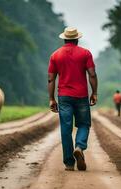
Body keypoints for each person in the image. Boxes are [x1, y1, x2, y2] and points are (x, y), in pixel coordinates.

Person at [48, 27, 98, 171]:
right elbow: (92, 74)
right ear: (77, 39)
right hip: (81, 96)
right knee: (83, 124)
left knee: (66, 128)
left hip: (64, 97)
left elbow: (51, 79)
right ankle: (80, 146)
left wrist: (52, 99)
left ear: (64, 39)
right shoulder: (85, 53)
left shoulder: (55, 55)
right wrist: (94, 93)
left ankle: (69, 163)